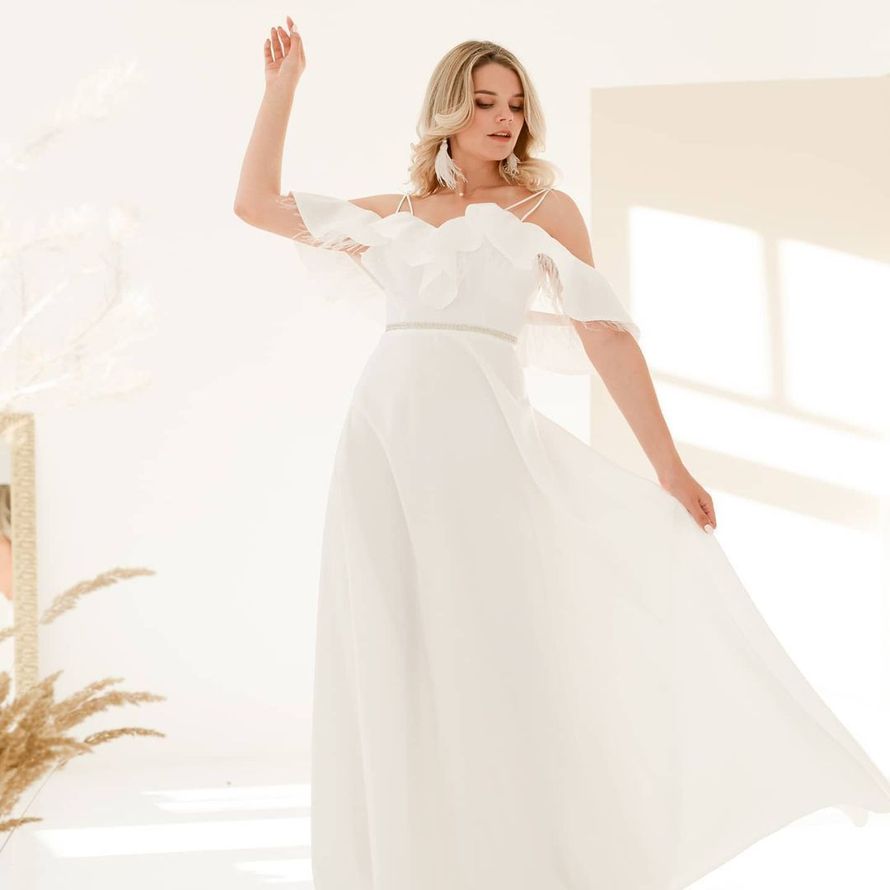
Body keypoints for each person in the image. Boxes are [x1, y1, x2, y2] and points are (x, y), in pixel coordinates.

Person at [234, 23, 890, 890]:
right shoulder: (394, 216)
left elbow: (606, 335)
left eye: (515, 105)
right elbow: (256, 205)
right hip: (382, 435)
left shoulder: (543, 211)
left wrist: (668, 466)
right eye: (484, 102)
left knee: (489, 642)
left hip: (481, 440)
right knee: (389, 641)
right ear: (448, 109)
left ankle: (516, 859)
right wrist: (282, 87)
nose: (504, 119)